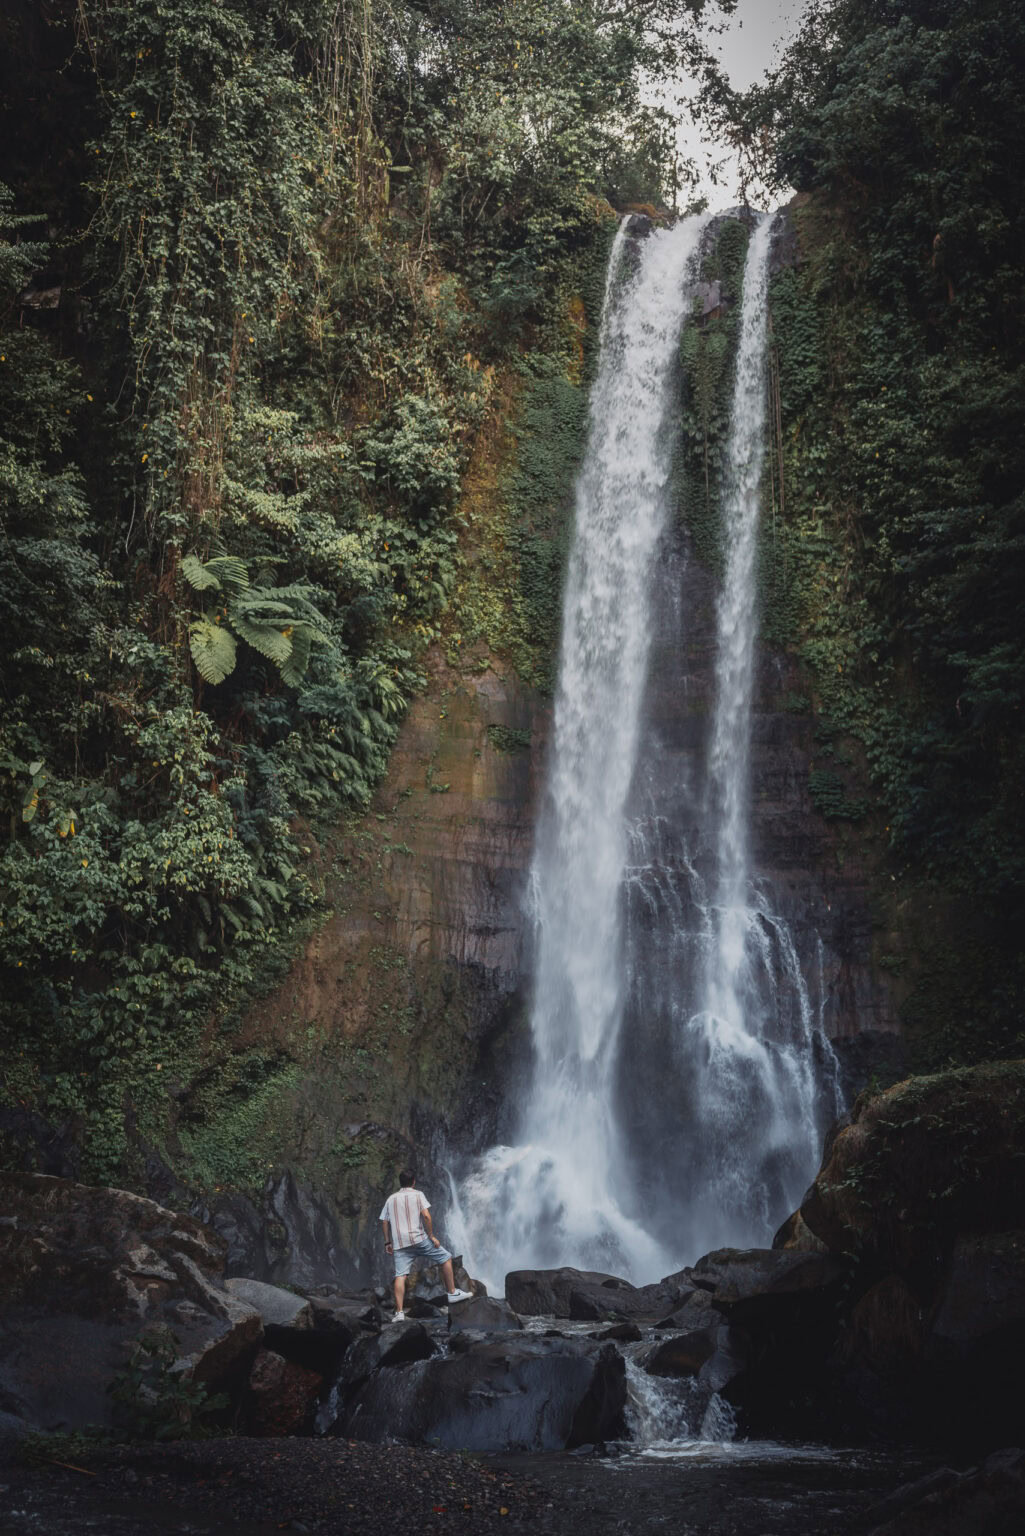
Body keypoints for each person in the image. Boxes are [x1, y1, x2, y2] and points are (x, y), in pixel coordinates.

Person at [379, 1168, 472, 1321]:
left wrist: (387, 1242)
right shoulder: (418, 1195)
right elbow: (427, 1216)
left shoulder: (391, 1199)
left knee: (400, 1276)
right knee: (446, 1258)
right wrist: (431, 1236)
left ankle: (399, 1313)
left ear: (400, 1183)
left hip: (400, 1243)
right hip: (419, 1239)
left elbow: (384, 1221)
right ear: (413, 1182)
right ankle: (452, 1293)